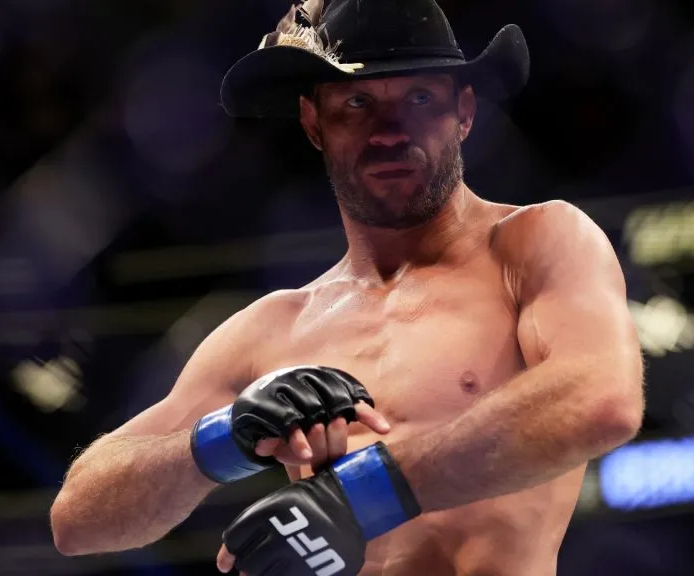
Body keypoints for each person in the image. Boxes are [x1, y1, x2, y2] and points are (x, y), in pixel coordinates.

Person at [49, 0, 645, 574]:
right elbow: (76, 519)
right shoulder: (274, 328)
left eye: (418, 98)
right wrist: (223, 439)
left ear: (464, 111)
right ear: (314, 122)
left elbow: (599, 400)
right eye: (357, 102)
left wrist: (365, 493)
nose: (389, 131)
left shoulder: (533, 244)